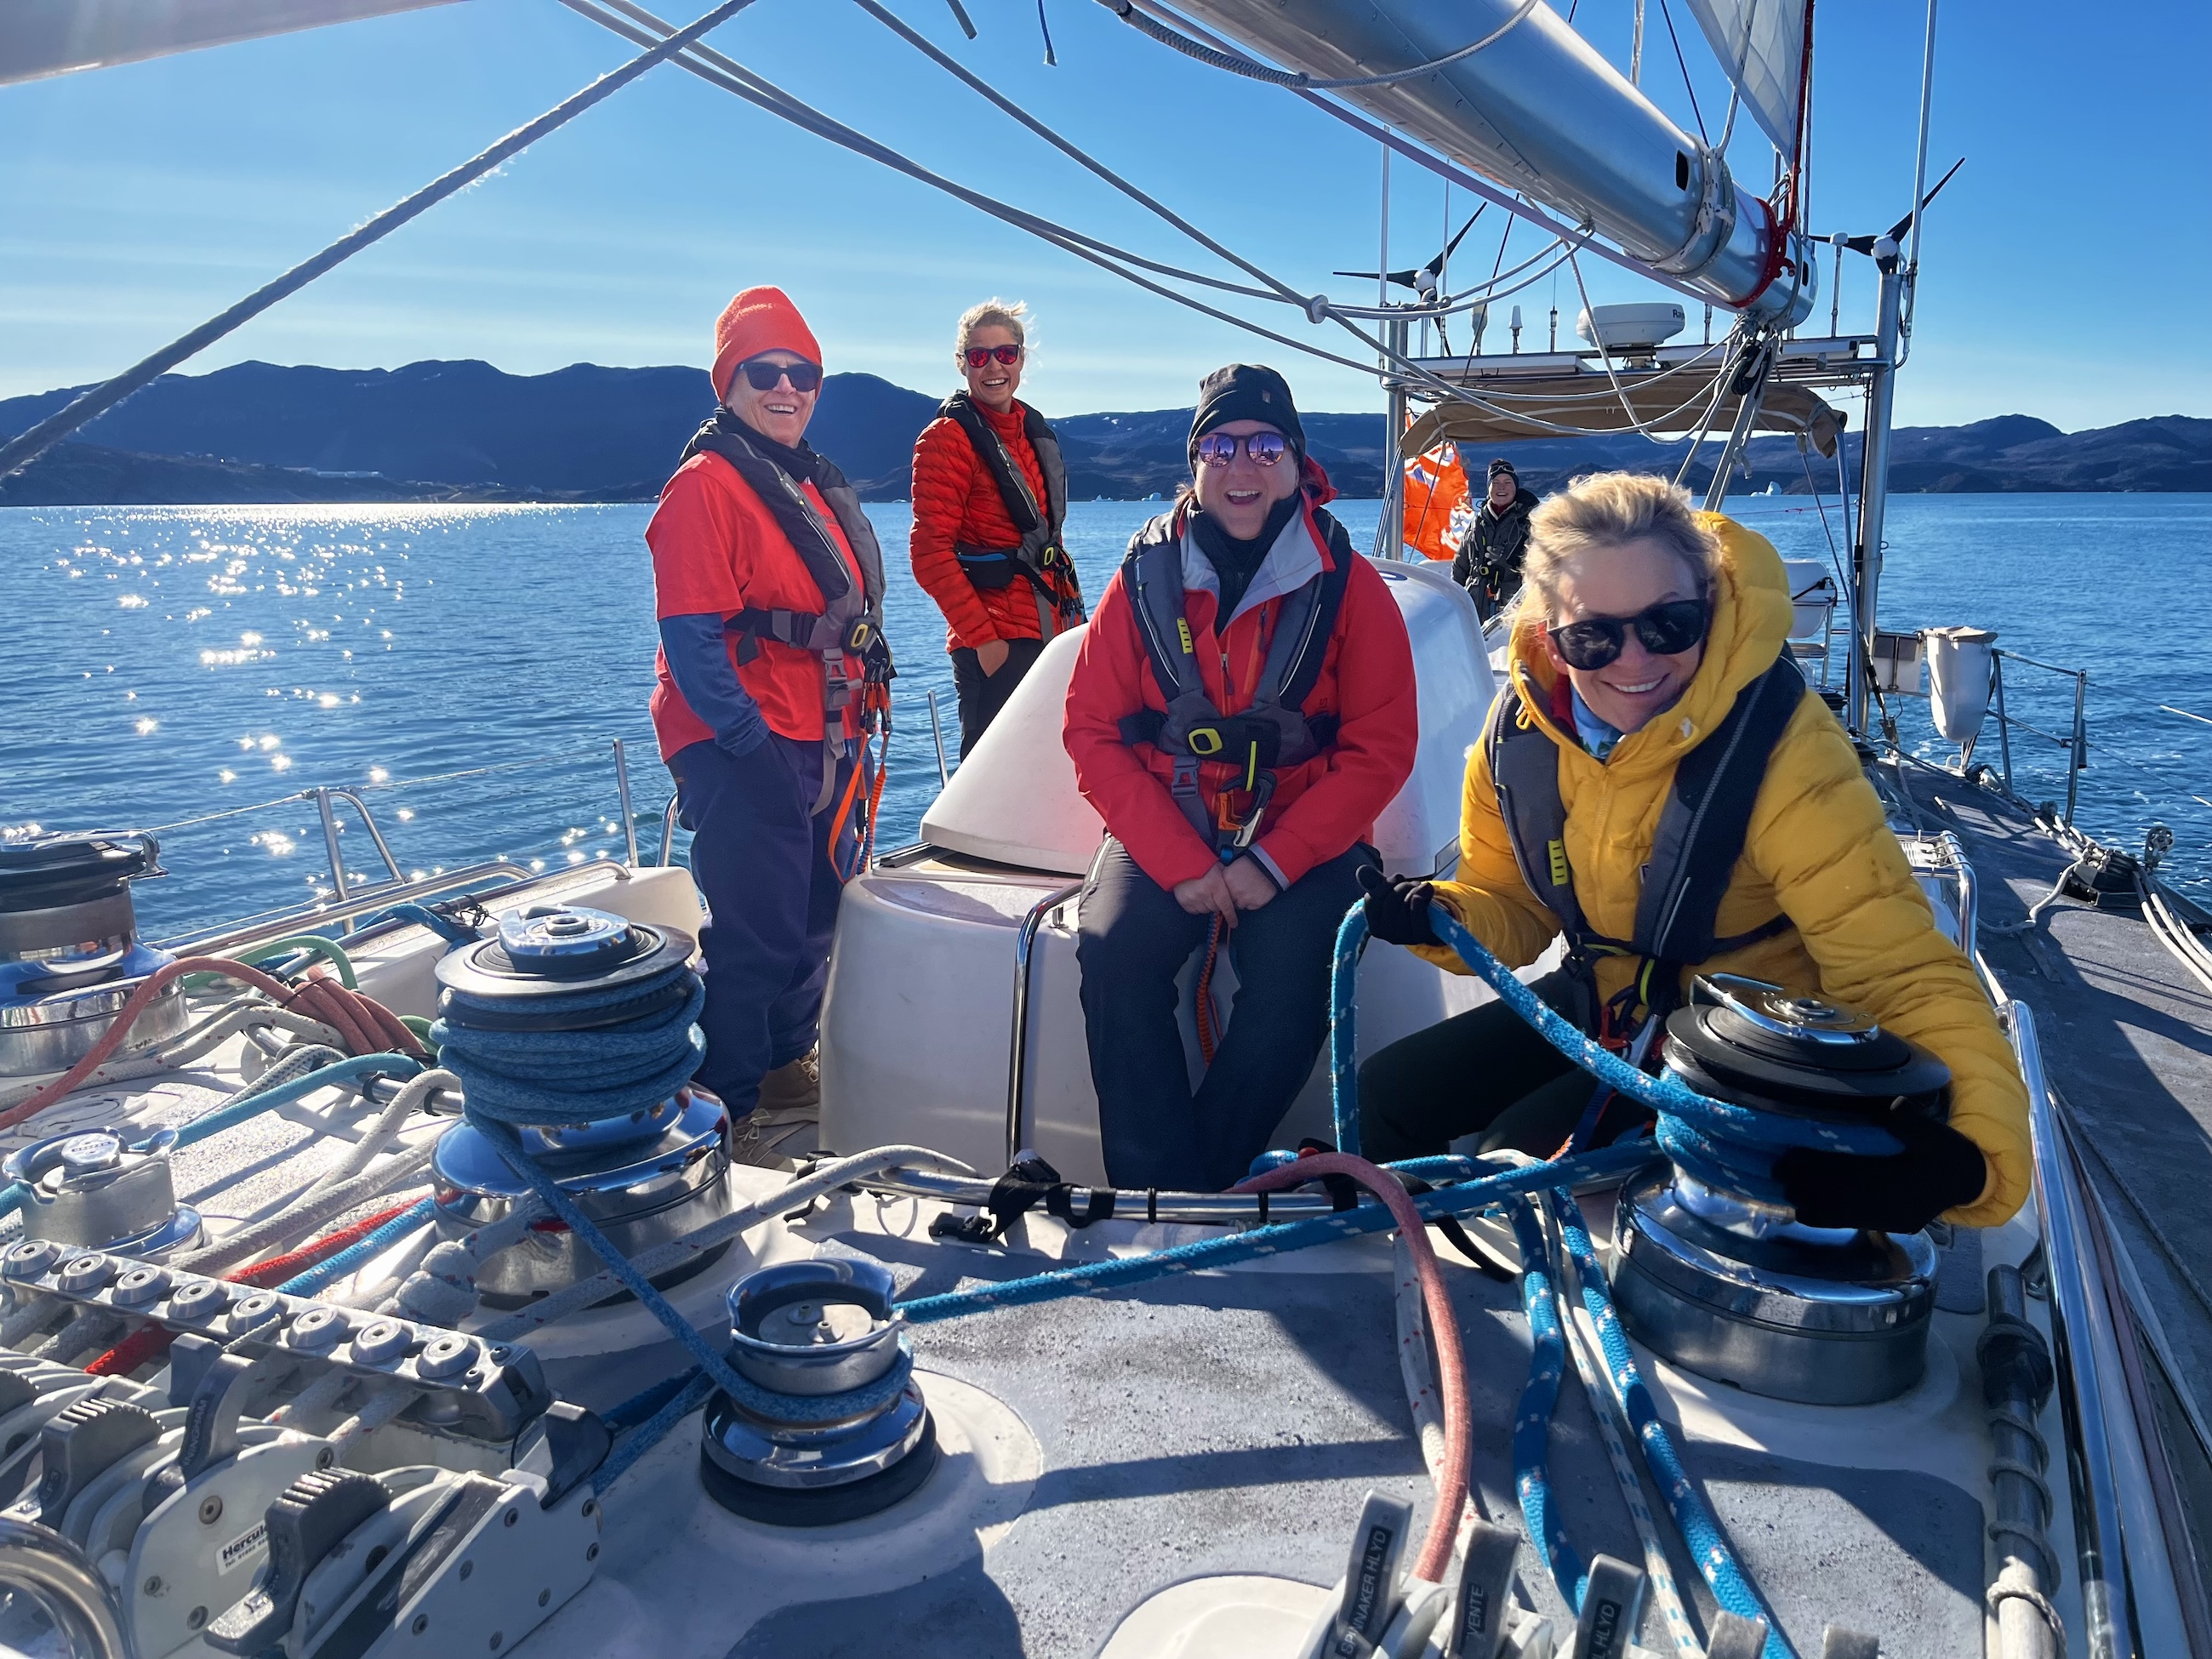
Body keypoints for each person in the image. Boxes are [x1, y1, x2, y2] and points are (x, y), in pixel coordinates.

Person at [1356, 470, 2029, 1233]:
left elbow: (1901, 969)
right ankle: (1393, 1282)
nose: (1634, 661)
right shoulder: (1518, 738)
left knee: (1524, 1173)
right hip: (1603, 1001)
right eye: (1594, 636)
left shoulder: (1783, 749)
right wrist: (1438, 914)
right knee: (1385, 1096)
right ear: (1550, 637)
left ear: (1707, 610)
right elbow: (1512, 908)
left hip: (1742, 1035)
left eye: (1668, 625)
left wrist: (1972, 1155)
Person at [1063, 364, 1418, 1191]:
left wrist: (1273, 862)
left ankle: (1198, 1187)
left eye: (1264, 445)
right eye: (1219, 445)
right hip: (1166, 828)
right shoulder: (1139, 581)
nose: (1241, 465)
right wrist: (1181, 862)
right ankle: (1155, 1188)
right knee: (1112, 956)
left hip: (1304, 836)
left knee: (1299, 983)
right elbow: (1089, 730)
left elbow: (1378, 748)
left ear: (1296, 463)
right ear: (1194, 464)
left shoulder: (1350, 589)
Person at [647, 286, 893, 1154]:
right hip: (746, 741)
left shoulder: (803, 482)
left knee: (818, 912)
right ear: (727, 382)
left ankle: (787, 1063)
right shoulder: (704, 488)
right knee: (757, 932)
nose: (786, 388)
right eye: (765, 371)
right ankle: (725, 1105)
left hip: (826, 737)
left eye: (804, 374)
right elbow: (690, 638)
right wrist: (745, 744)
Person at [909, 299, 1084, 756]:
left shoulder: (1030, 432)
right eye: (978, 355)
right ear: (962, 364)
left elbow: (1046, 540)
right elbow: (930, 555)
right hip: (996, 643)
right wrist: (987, 645)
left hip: (1049, 635)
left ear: (1021, 359)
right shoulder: (946, 439)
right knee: (991, 784)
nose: (993, 366)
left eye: (1005, 354)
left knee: (1048, 768)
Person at [1451, 458, 1538, 622]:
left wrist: (1510, 568)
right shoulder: (1477, 523)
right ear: (1488, 487)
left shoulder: (1531, 523)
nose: (1501, 487)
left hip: (1512, 613)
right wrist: (1455, 601)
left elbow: (1542, 571)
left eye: (1507, 482)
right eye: (1496, 482)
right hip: (1472, 611)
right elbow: (1460, 566)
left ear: (1516, 487)